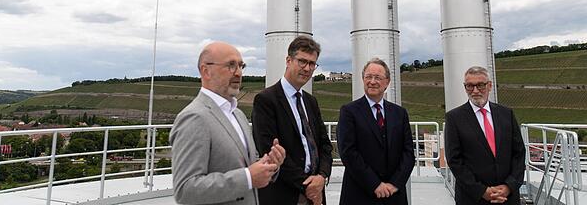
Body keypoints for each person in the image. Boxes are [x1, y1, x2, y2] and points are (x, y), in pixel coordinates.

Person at [171, 41, 286, 205]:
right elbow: (185, 190)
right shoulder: (194, 117)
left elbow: (249, 165)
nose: (238, 73)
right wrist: (247, 178)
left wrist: (270, 164)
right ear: (206, 71)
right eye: (231, 65)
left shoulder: (237, 115)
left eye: (241, 66)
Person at [252, 36, 333, 205]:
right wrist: (307, 186)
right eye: (302, 61)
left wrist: (321, 177)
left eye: (312, 64)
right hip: (284, 194)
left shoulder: (310, 102)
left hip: (315, 192)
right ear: (288, 60)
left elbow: (324, 145)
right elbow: (269, 150)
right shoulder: (266, 100)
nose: (307, 68)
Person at [337, 58, 415, 205]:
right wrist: (375, 184)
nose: (372, 81)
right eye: (368, 77)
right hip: (360, 193)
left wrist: (394, 184)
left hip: (394, 195)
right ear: (362, 79)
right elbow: (348, 152)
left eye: (378, 77)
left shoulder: (400, 113)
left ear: (387, 82)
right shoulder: (349, 111)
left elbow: (408, 152)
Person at [444, 66, 525, 205]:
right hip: (472, 198)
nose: (475, 91)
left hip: (507, 197)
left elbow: (519, 153)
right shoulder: (454, 118)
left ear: (490, 86)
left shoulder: (506, 114)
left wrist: (509, 186)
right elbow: (454, 160)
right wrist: (481, 191)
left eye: (480, 85)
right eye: (470, 86)